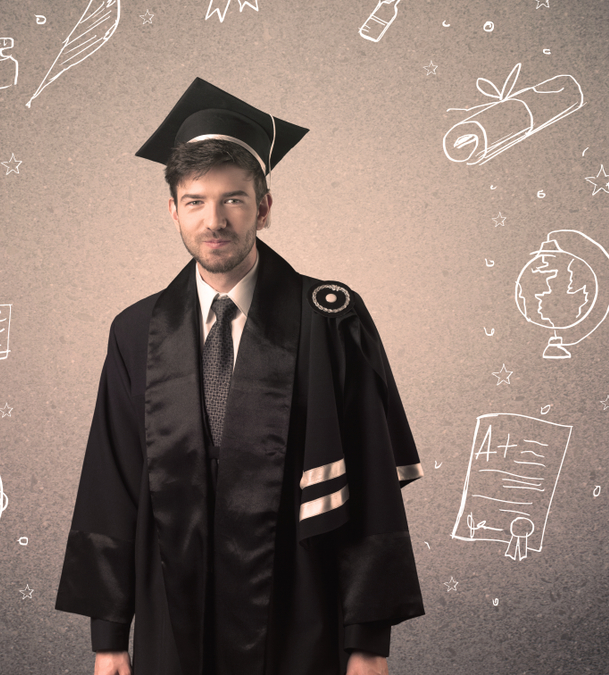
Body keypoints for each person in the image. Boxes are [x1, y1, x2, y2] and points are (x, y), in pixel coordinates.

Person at [56, 78, 424, 675]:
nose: (214, 220)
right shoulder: (134, 331)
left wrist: (368, 643)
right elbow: (111, 481)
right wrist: (108, 639)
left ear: (265, 206)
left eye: (234, 199)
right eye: (196, 201)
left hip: (301, 602)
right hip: (172, 605)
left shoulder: (329, 319)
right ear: (172, 209)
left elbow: (372, 483)